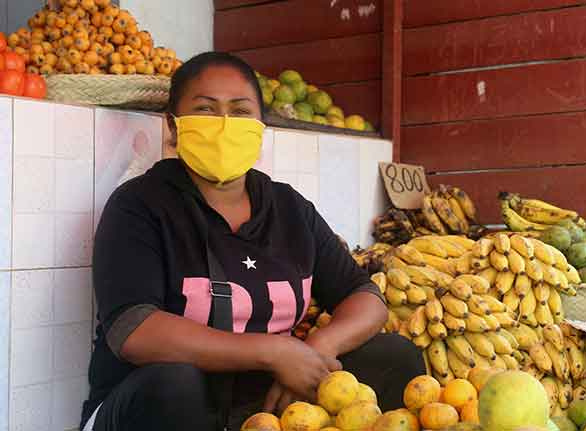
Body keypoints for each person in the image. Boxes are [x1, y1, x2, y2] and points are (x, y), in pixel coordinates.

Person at [80, 52, 425, 431]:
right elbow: (135, 329)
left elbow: (365, 298)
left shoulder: (288, 208)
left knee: (394, 355)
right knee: (173, 384)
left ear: (260, 127)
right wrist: (272, 352)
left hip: (263, 408)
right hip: (155, 408)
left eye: (241, 111)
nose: (225, 124)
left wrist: (316, 351)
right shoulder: (140, 205)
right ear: (174, 127)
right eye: (206, 110)